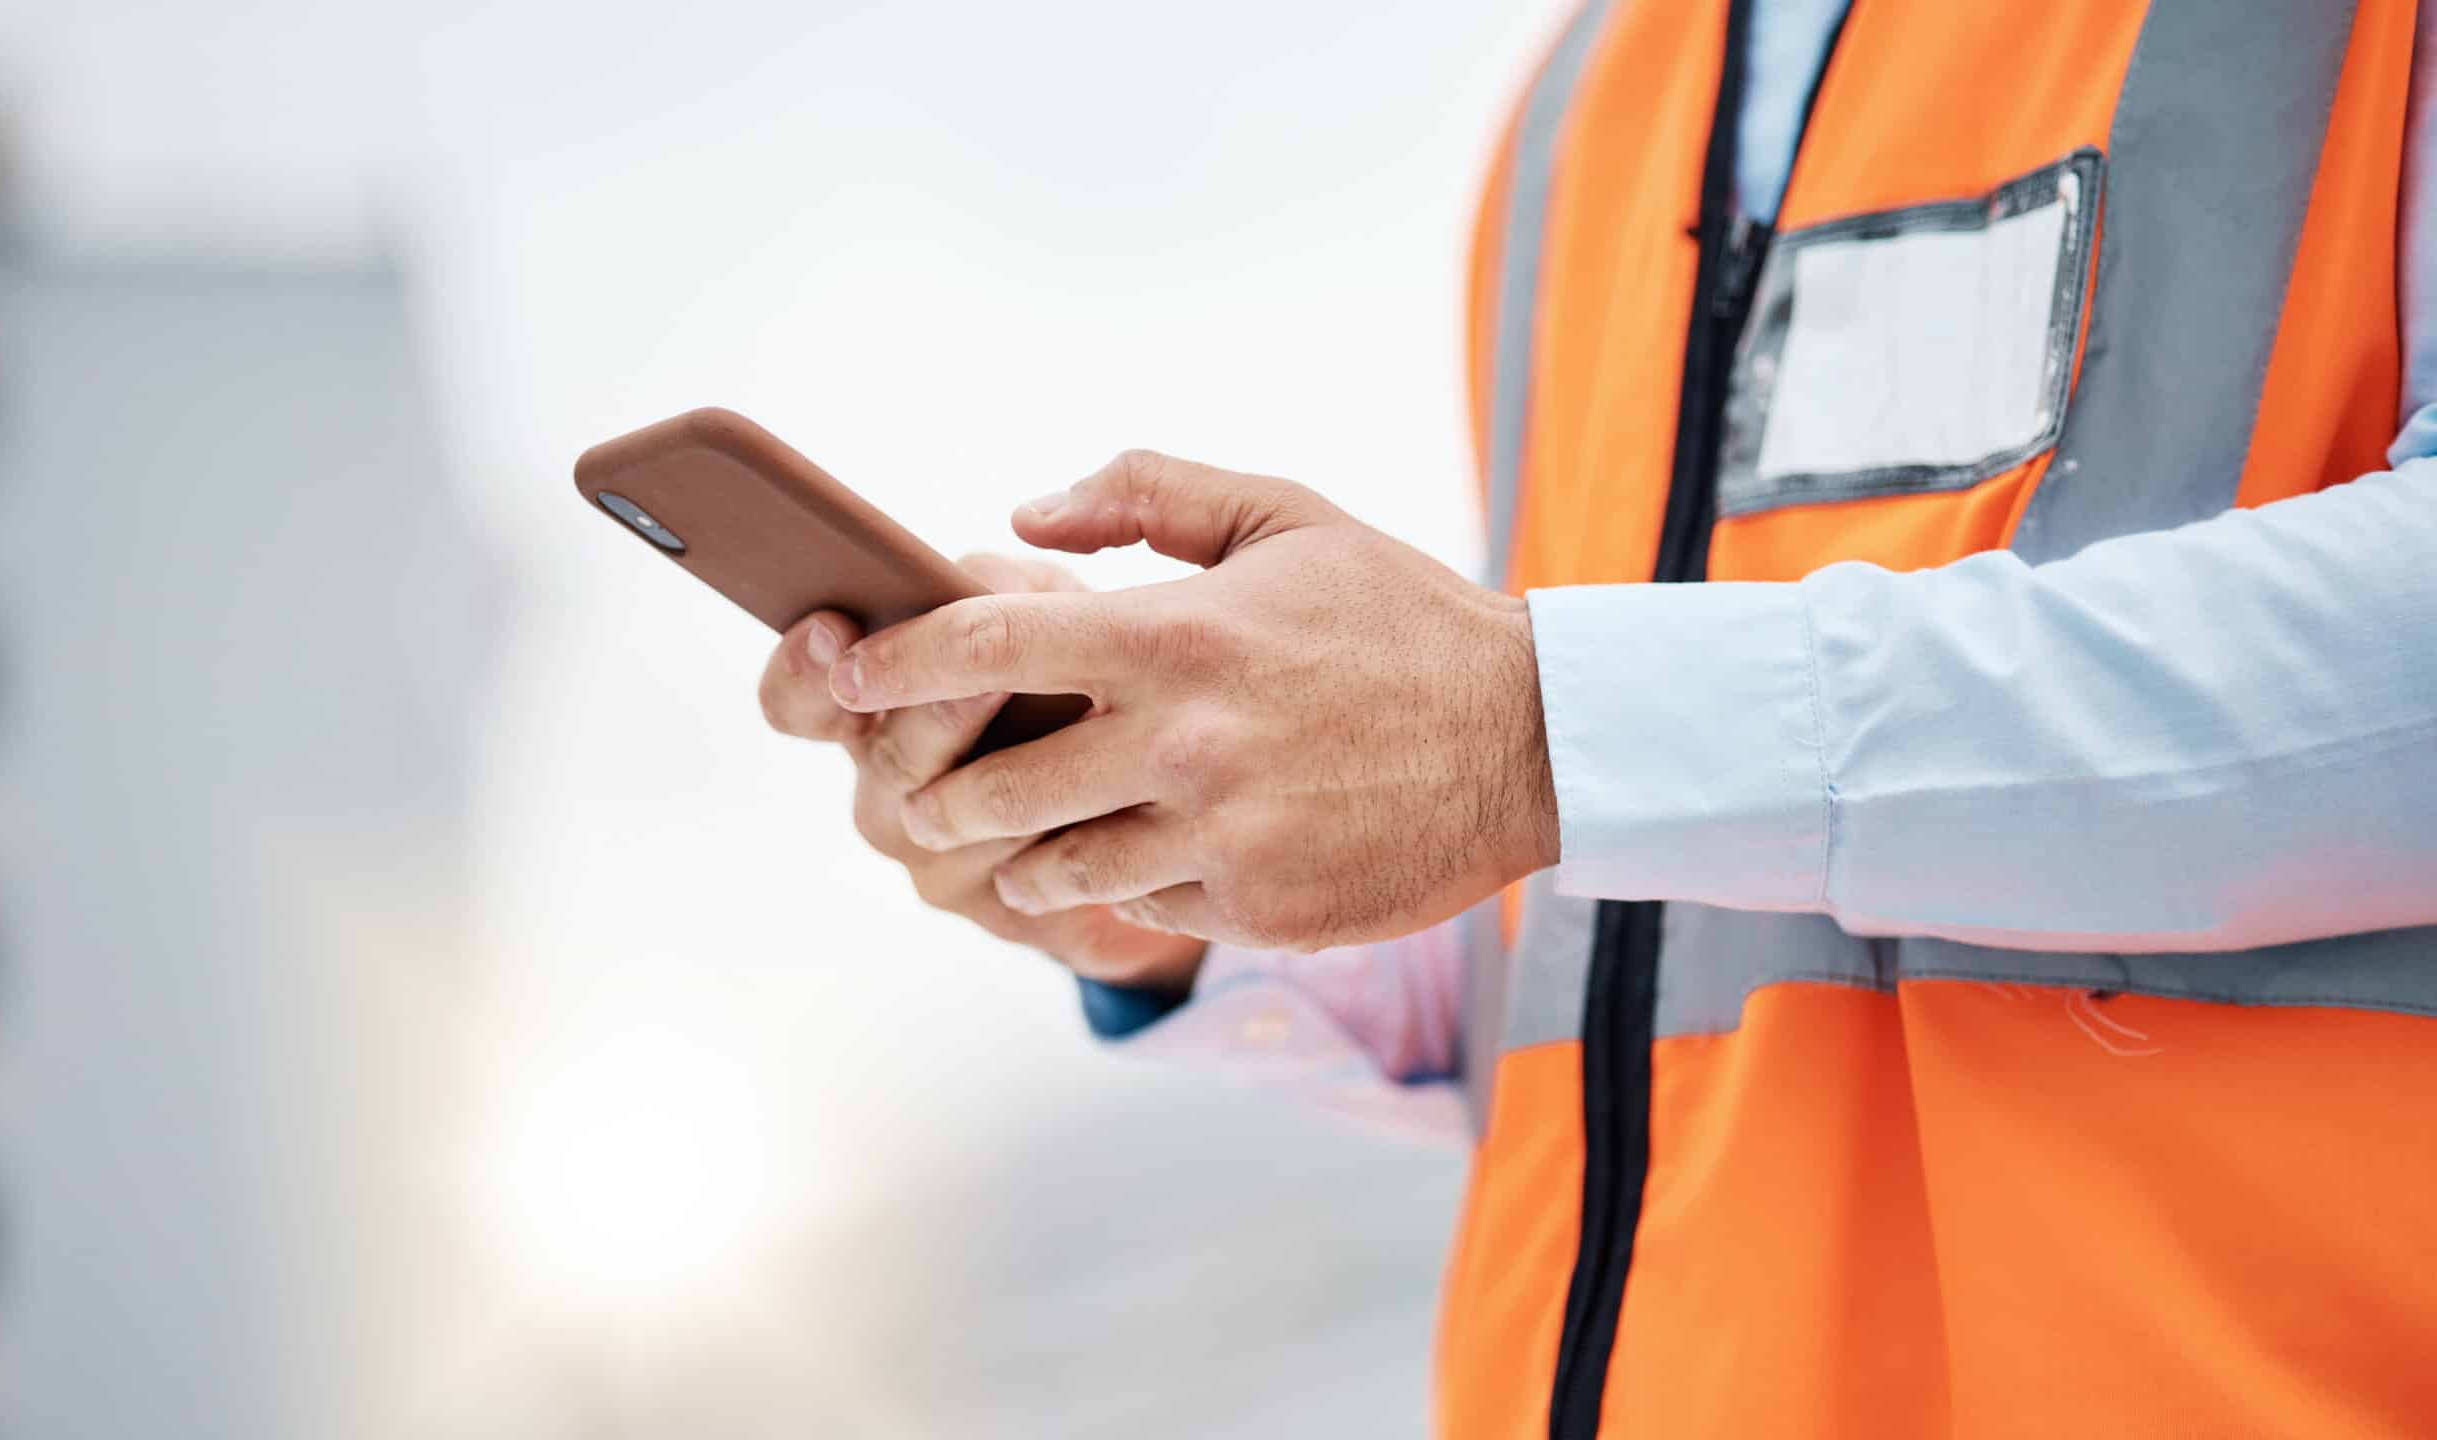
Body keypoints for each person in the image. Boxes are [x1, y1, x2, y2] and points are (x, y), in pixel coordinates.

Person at [756, 1, 2437, 1435]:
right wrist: (1154, 853)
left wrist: (1535, 731)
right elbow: (1642, 923)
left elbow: (1627, 746)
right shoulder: (1596, 103)